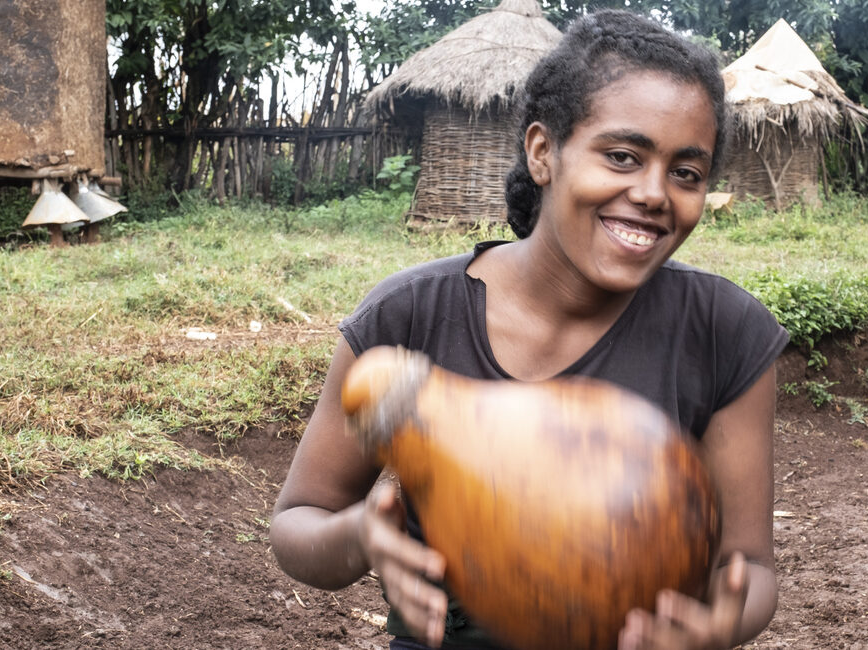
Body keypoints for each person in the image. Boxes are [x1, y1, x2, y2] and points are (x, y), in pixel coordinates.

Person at [270, 10, 787, 650]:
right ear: (543, 152)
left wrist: (716, 627)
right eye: (623, 156)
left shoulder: (723, 332)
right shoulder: (410, 316)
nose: (655, 193)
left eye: (687, 173)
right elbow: (297, 521)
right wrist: (359, 538)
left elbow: (751, 568)